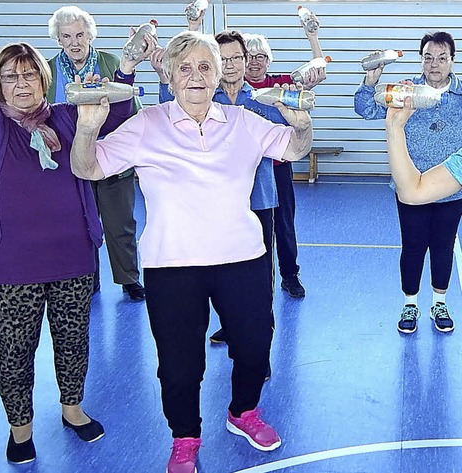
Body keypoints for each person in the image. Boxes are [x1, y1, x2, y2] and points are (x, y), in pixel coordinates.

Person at [0, 0, 144, 464]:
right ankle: (21, 429)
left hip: (73, 255)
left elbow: (118, 116)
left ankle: (73, 410)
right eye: (12, 76)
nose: (22, 84)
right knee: (15, 351)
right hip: (10, 263)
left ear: (44, 79)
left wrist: (129, 68)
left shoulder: (67, 116)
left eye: (30, 75)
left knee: (73, 340)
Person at [70, 31, 312, 473]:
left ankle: (243, 412)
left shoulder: (242, 122)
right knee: (180, 366)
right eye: (185, 68)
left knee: (256, 348)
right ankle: (184, 437)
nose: (196, 76)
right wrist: (87, 127)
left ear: (219, 74)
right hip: (173, 263)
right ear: (169, 75)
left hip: (242, 257)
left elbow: (296, 147)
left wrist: (300, 122)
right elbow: (86, 167)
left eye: (205, 67)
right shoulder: (147, 124)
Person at [152, 31, 280, 351]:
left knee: (259, 276)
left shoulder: (266, 99)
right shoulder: (204, 98)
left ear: (246, 60)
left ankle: (259, 337)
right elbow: (168, 108)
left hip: (259, 200)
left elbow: (286, 139)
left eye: (237, 57)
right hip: (213, 204)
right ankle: (231, 324)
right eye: (223, 60)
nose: (233, 64)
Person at [355, 31, 462, 334]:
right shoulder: (406, 92)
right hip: (408, 189)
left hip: (451, 191)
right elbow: (365, 108)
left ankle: (439, 302)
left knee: (442, 248)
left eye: (442, 58)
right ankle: (410, 303)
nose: (435, 64)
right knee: (413, 247)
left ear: (452, 60)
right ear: (421, 60)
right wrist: (371, 80)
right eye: (428, 57)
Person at [46, 6, 146, 302]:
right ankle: (87, 278)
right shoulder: (49, 70)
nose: (74, 42)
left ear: (90, 34)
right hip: (71, 161)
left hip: (112, 159)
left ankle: (129, 278)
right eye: (67, 37)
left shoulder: (111, 62)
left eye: (80, 34)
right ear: (58, 39)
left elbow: (131, 114)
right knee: (80, 225)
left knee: (120, 224)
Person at [243, 20, 326, 300]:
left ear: (269, 60)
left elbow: (318, 72)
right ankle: (254, 280)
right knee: (251, 227)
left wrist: (312, 36)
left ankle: (290, 275)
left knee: (284, 223)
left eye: (260, 57)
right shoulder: (232, 90)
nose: (254, 62)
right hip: (243, 172)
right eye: (249, 56)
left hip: (277, 168)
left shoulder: (280, 85)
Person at [386, 98, 462, 203]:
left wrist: (395, 127)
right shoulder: (411, 93)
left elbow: (411, 194)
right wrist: (395, 126)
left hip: (452, 196)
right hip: (424, 183)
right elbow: (412, 193)